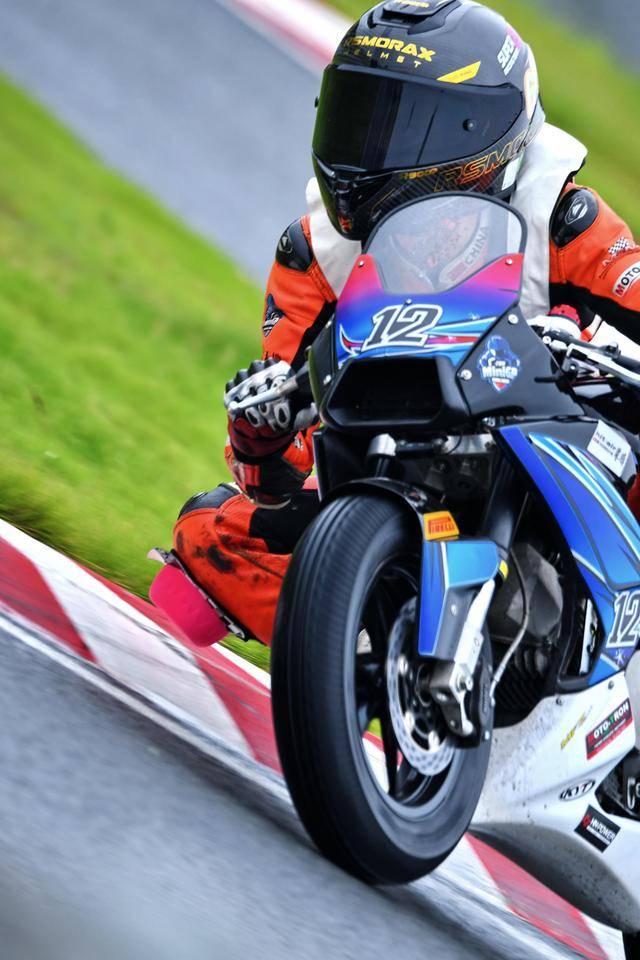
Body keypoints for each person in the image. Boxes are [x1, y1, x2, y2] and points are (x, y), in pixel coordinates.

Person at [173, 0, 640, 645]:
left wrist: (585, 348)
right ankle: (365, 659)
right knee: (210, 532)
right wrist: (260, 437)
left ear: (479, 133)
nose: (367, 151)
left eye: (403, 128)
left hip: (563, 461)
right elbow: (285, 475)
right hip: (403, 474)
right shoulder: (318, 256)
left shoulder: (559, 219)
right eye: (359, 119)